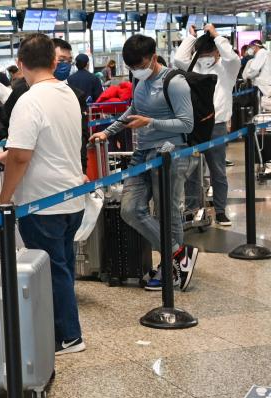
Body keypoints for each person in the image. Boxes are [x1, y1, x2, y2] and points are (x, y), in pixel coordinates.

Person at [91, 34, 199, 292]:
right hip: (143, 155)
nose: (136, 71)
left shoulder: (175, 83)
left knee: (168, 213)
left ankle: (171, 269)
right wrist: (109, 132)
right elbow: (132, 111)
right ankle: (179, 254)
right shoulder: (140, 83)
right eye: (132, 67)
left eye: (140, 65)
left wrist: (151, 122)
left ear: (152, 58)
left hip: (171, 153)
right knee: (130, 209)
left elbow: (187, 123)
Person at [0, 33, 85, 355]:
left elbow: (20, 156)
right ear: (53, 61)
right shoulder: (69, 95)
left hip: (42, 201)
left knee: (53, 270)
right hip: (72, 197)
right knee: (62, 268)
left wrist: (4, 197)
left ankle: (68, 336)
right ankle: (62, 329)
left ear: (20, 66)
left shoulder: (29, 100)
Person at [0, 38, 89, 172]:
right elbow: (5, 121)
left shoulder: (75, 95)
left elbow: (82, 137)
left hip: (65, 171)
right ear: (50, 59)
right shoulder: (22, 91)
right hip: (32, 172)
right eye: (61, 60)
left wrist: (83, 169)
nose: (65, 65)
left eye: (69, 61)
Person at [174, 23, 240, 226]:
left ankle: (220, 210)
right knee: (193, 169)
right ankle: (193, 209)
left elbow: (233, 58)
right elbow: (178, 59)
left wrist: (216, 36)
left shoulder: (227, 69)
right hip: (195, 126)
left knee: (217, 170)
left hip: (217, 125)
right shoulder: (193, 67)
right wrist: (192, 37)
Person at [243, 40, 271, 112]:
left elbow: (254, 69)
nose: (249, 49)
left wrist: (247, 75)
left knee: (263, 105)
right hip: (266, 84)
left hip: (263, 85)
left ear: (255, 46)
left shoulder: (261, 53)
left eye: (250, 47)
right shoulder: (265, 53)